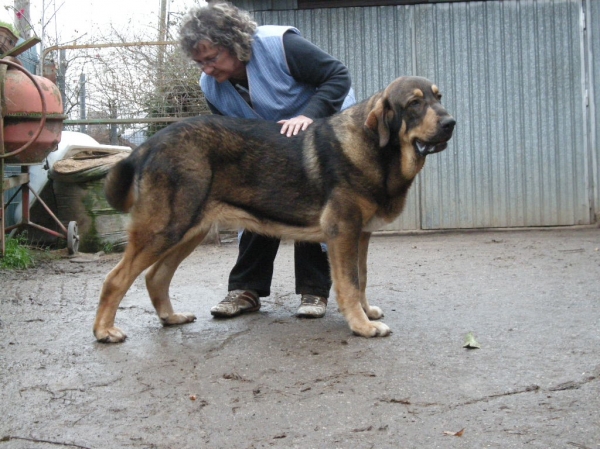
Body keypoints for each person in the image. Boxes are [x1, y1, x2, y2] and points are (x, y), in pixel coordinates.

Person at [179, 2, 355, 319]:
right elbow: (234, 131)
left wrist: (308, 117)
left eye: (212, 58)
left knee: (313, 203)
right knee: (256, 201)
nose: (207, 69)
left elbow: (337, 76)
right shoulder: (211, 87)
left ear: (233, 43)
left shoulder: (280, 45)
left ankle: (314, 292)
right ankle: (245, 289)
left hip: (324, 127)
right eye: (199, 62)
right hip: (272, 144)